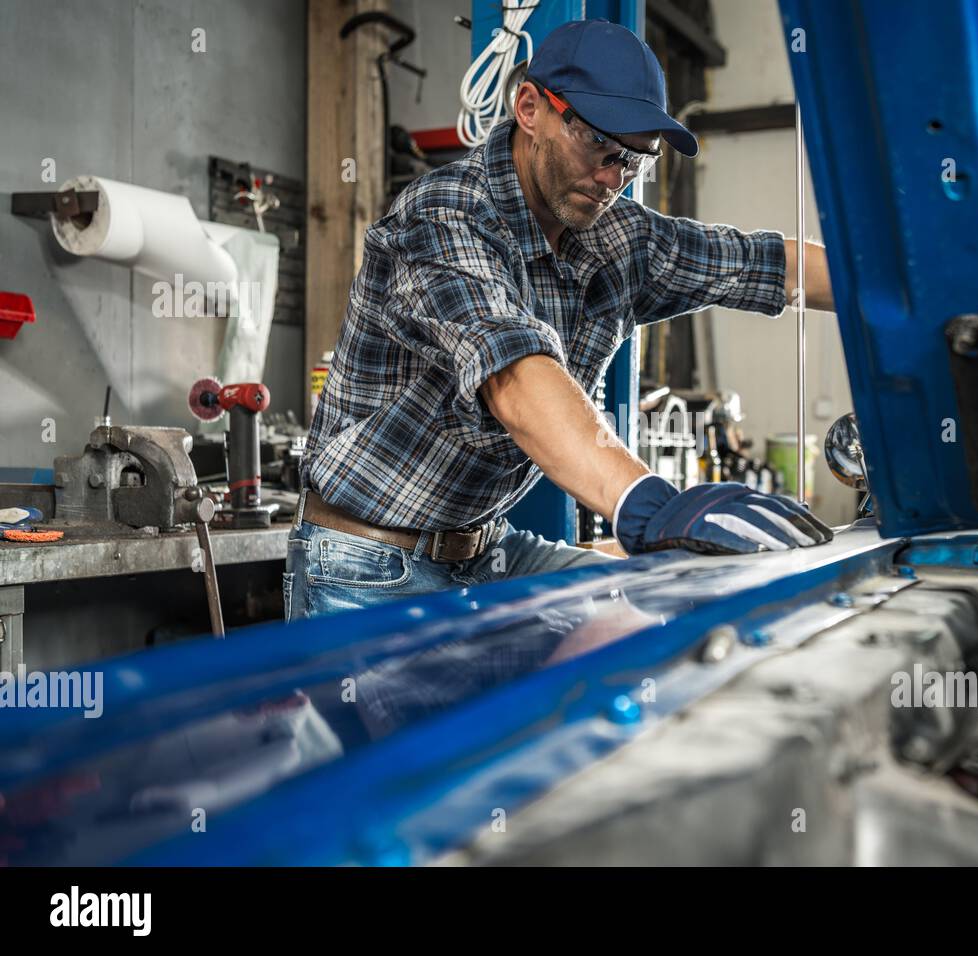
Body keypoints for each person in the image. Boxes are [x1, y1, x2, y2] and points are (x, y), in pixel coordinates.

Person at [286, 19, 836, 620]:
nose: (611, 179)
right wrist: (647, 505)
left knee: (666, 604)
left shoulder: (616, 235)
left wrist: (906, 293)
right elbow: (514, 376)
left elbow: (766, 264)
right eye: (598, 145)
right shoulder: (444, 216)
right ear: (530, 107)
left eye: (633, 161)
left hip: (486, 549)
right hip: (366, 560)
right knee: (445, 717)